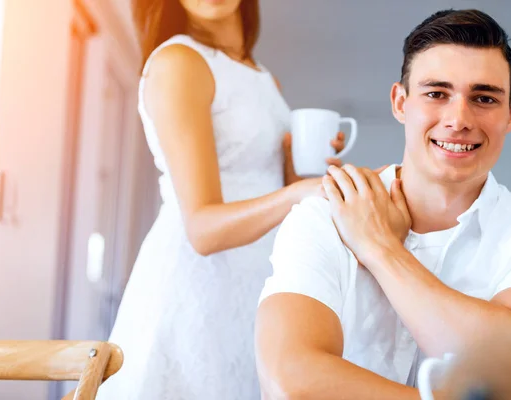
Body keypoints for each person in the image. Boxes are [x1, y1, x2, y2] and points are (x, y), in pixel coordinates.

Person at [255, 9, 511, 399]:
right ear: (400, 102)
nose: (459, 119)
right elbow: (292, 379)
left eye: (483, 98)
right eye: (436, 93)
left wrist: (380, 248)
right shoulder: (326, 212)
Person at [94, 0, 345, 399]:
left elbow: (266, 192)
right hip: (196, 289)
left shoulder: (264, 78)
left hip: (253, 283)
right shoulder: (179, 60)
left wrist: (295, 166)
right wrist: (298, 192)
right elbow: (202, 230)